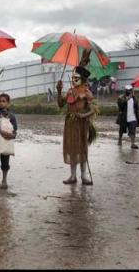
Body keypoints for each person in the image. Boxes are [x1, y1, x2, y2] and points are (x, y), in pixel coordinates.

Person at [56, 50, 96, 185]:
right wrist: (59, 90)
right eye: (72, 78)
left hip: (81, 124)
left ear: (83, 80)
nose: (73, 80)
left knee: (82, 149)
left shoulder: (87, 93)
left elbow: (92, 109)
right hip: (70, 124)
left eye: (76, 78)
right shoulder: (70, 91)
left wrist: (83, 115)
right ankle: (73, 176)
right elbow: (61, 104)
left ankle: (84, 176)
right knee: (72, 148)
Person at [0, 93, 17, 189]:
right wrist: (0, 131)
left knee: (5, 162)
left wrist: (12, 135)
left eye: (3, 101)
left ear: (8, 103)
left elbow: (15, 130)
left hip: (6, 142)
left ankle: (4, 180)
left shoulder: (12, 116)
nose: (1, 103)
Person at [116, 84, 139, 149]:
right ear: (126, 90)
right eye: (128, 90)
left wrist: (136, 115)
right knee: (121, 129)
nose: (130, 91)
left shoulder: (134, 98)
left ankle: (132, 143)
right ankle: (120, 140)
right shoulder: (121, 97)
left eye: (131, 90)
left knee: (133, 130)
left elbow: (136, 107)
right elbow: (120, 106)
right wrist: (127, 99)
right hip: (124, 117)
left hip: (132, 117)